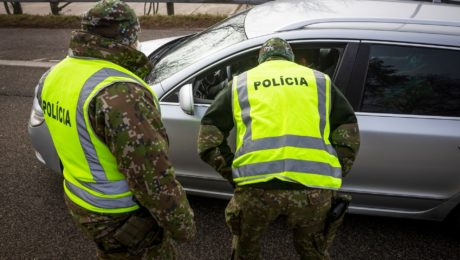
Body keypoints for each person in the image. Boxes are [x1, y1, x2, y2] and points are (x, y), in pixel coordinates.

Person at [36, 0, 196, 258]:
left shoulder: (55, 74)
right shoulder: (121, 92)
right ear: (130, 36)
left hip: (80, 202)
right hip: (119, 215)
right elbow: (151, 177)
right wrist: (182, 225)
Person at [197, 37, 360, 259]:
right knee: (313, 250)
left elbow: (208, 139)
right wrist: (337, 168)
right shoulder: (320, 81)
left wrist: (234, 173)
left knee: (246, 249)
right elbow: (348, 129)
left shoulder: (241, 83)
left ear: (261, 59)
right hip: (312, 190)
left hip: (256, 189)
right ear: (292, 59)